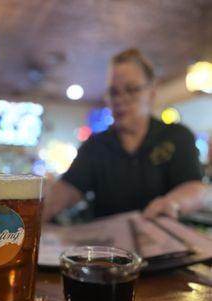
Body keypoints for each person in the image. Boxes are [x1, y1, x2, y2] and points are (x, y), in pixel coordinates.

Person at [43, 48, 208, 222]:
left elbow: (195, 187)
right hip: (107, 247)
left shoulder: (177, 136)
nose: (120, 99)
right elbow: (67, 190)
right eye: (114, 92)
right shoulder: (95, 146)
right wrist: (39, 203)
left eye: (131, 89)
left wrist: (172, 203)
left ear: (151, 94)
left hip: (165, 244)